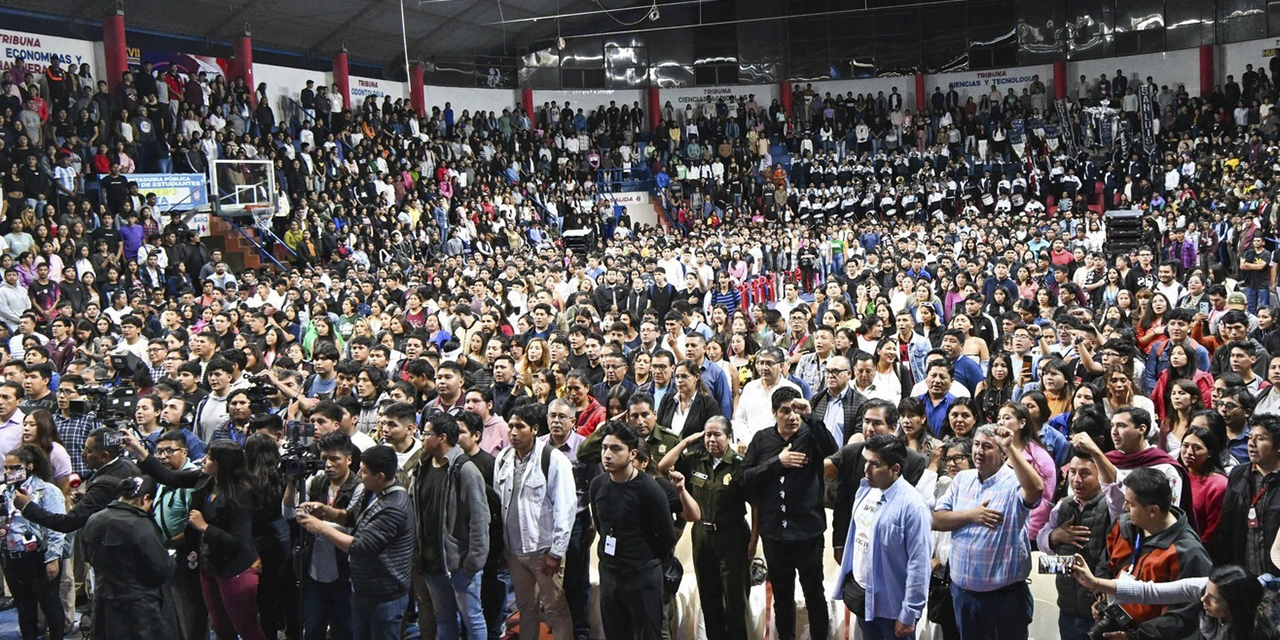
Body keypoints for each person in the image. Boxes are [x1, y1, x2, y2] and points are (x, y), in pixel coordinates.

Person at [124, 434, 267, 640]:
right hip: (209, 564)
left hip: (235, 569)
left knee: (246, 628)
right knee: (220, 626)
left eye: (209, 458)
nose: (203, 460)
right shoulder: (204, 478)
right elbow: (168, 477)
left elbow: (239, 542)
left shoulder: (241, 493)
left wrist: (205, 527)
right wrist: (137, 448)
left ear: (221, 465)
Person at [738, 386, 837, 640]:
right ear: (774, 413)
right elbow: (743, 479)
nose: (792, 416)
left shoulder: (811, 433)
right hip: (774, 534)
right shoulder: (761, 439)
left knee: (814, 594)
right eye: (785, 411)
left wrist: (812, 416)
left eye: (796, 410)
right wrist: (775, 463)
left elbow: (831, 448)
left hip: (808, 532)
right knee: (782, 597)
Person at [933, 424, 1044, 640]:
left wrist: (1010, 446)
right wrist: (971, 515)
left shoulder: (1014, 483)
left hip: (1003, 600)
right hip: (963, 595)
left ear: (1003, 454)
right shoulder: (962, 479)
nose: (978, 451)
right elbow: (936, 520)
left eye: (987, 446)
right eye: (976, 445)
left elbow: (1036, 490)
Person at [297, 445, 416, 640]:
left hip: (384, 592)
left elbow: (361, 547)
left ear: (380, 476)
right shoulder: (371, 492)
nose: (359, 474)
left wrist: (319, 527)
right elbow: (352, 517)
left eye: (364, 471)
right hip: (363, 587)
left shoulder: (394, 506)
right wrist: (327, 511)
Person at [657, 416, 752, 640]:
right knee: (709, 599)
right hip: (702, 536)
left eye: (717, 434)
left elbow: (755, 506)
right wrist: (686, 442)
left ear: (729, 437)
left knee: (735, 601)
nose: (711, 439)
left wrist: (754, 540)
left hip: (733, 536)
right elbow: (663, 467)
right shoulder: (695, 459)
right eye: (707, 434)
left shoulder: (740, 463)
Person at [831, 434, 933, 640]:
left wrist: (910, 611)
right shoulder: (866, 489)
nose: (866, 469)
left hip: (892, 606)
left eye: (874, 464)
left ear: (895, 469)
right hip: (863, 597)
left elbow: (919, 564)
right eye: (865, 461)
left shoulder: (913, 506)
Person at [1095, 467, 1214, 639]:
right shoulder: (1123, 526)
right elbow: (1105, 566)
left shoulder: (1188, 553)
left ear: (1153, 510)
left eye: (1131, 503)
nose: (1124, 507)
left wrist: (1135, 636)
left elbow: (1183, 618)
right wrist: (1103, 599)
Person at [494, 403, 576, 640]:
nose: (513, 432)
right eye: (510, 426)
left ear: (535, 429)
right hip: (514, 550)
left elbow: (565, 508)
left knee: (555, 609)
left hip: (544, 551)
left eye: (520, 426)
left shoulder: (552, 459)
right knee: (525, 609)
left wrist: (556, 552)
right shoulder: (503, 458)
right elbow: (500, 505)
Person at [588, 421, 676, 640]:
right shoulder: (598, 485)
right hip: (610, 572)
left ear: (632, 454)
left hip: (642, 575)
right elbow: (601, 525)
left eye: (616, 449)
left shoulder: (649, 489)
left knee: (648, 634)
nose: (607, 454)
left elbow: (666, 537)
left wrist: (644, 561)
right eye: (604, 448)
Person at [413, 410, 491, 640]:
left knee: (472, 619)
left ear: (442, 437)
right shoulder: (422, 465)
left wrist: (473, 562)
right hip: (431, 560)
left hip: (459, 562)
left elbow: (480, 518)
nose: (421, 438)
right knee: (444, 618)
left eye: (426, 434)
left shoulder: (465, 470)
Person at [1071, 561, 1280, 640]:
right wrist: (1095, 583)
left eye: (1214, 599)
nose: (1203, 599)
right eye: (1205, 591)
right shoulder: (1205, 588)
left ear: (1235, 606)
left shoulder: (1260, 632)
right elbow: (1149, 592)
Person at [79, 475, 177, 640]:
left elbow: (87, 557)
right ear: (146, 498)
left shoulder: (94, 519)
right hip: (140, 610)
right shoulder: (141, 526)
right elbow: (162, 569)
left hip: (104, 604)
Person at [1, 444, 66, 640]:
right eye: (6, 468)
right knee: (24, 607)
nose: (9, 472)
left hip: (40, 555)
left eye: (14, 468)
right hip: (13, 556)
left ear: (29, 466)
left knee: (50, 605)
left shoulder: (47, 491)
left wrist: (53, 558)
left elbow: (56, 526)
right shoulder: (3, 491)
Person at [1216, 412, 1280, 575]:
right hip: (1244, 571)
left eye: (1260, 438)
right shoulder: (1239, 474)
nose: (1251, 444)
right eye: (1250, 437)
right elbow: (1227, 525)